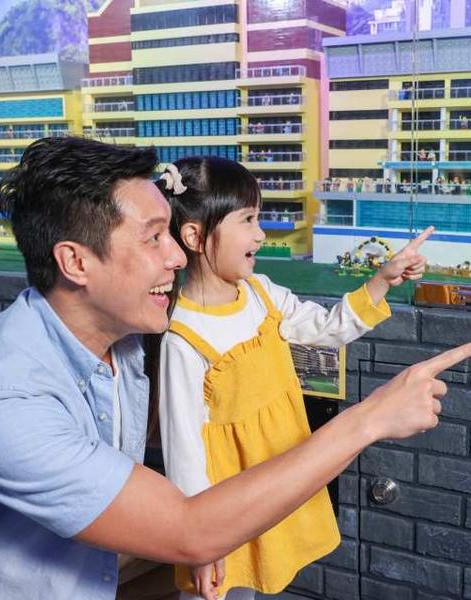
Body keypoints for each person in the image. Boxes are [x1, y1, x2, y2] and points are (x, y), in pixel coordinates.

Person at [0, 137, 471, 599]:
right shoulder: (3, 402)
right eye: (153, 238)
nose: (176, 256)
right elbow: (190, 526)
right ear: (75, 262)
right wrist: (370, 419)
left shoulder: (125, 341)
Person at [153, 157, 432, 599]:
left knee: (257, 584)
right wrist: (200, 545)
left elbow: (327, 328)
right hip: (226, 511)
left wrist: (381, 280)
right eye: (247, 220)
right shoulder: (183, 338)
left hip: (277, 482)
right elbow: (184, 454)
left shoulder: (262, 294)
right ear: (195, 236)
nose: (260, 234)